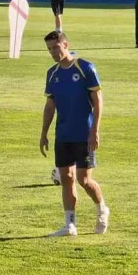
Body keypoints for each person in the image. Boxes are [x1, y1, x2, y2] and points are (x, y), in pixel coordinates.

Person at [38, 31, 109, 237]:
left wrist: (95, 130)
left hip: (83, 134)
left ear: (66, 45)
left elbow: (98, 101)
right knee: (66, 178)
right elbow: (50, 105)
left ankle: (102, 208)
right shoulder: (52, 73)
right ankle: (70, 224)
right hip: (63, 135)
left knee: (84, 180)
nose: (52, 52)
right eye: (49, 49)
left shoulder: (85, 68)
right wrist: (44, 133)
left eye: (55, 47)